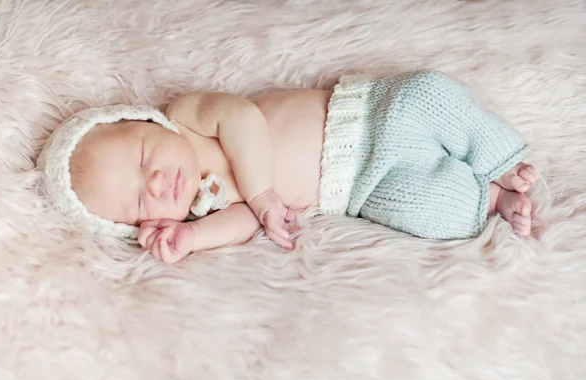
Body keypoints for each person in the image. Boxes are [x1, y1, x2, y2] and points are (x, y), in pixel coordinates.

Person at [37, 70, 539, 263]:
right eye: (141, 200)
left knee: (429, 94)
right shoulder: (196, 208)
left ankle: (499, 157)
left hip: (368, 115)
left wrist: (260, 194)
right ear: (138, 225)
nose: (154, 180)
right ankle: (494, 196)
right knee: (429, 212)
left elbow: (244, 120)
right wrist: (193, 238)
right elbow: (245, 222)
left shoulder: (185, 118)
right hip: (362, 187)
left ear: (145, 121)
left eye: (143, 155)